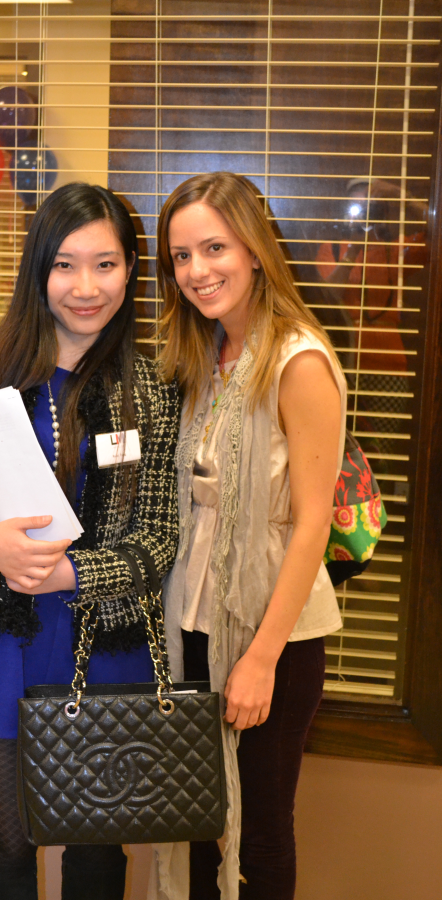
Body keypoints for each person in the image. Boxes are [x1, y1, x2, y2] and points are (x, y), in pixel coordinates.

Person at [0, 182, 180, 900]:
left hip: (103, 637)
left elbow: (159, 539)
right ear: (38, 269)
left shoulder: (151, 388)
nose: (86, 287)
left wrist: (74, 576)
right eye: (65, 265)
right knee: (6, 842)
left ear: (130, 270)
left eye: (105, 265)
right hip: (0, 636)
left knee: (97, 843)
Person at [154, 172, 347, 900]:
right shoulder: (205, 355)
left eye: (215, 248)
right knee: (199, 822)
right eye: (181, 256)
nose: (197, 271)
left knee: (259, 833)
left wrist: (261, 659)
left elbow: (311, 523)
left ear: (256, 250)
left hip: (273, 638)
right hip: (196, 625)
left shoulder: (297, 360)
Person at [315, 177, 426, 457]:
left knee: (379, 457)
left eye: (370, 208)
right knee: (336, 454)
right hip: (340, 364)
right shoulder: (334, 248)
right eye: (357, 209)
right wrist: (353, 250)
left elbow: (434, 232)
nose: (363, 216)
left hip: (387, 368)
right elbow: (328, 295)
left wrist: (398, 195)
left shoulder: (395, 249)